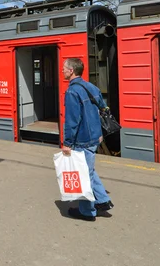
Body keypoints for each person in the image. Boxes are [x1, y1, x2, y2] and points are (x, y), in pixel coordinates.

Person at [61, 58, 114, 222]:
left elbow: (72, 121)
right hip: (94, 137)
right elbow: (102, 108)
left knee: (83, 175)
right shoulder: (92, 87)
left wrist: (67, 143)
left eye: (64, 68)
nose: (62, 71)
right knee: (89, 171)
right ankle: (103, 200)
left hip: (82, 140)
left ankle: (87, 212)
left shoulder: (72, 92)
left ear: (71, 71)